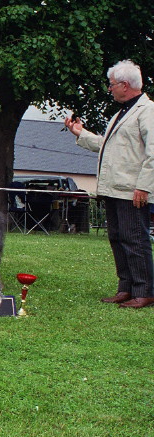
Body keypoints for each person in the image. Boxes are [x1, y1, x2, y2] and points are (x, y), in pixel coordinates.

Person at [64, 59, 154, 309]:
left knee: (135, 240)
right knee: (117, 237)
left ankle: (144, 291)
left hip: (132, 190)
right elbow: (108, 145)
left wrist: (144, 187)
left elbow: (153, 152)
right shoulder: (122, 112)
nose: (110, 88)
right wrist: (81, 134)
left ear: (125, 85)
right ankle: (126, 287)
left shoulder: (148, 111)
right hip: (115, 188)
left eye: (112, 84)